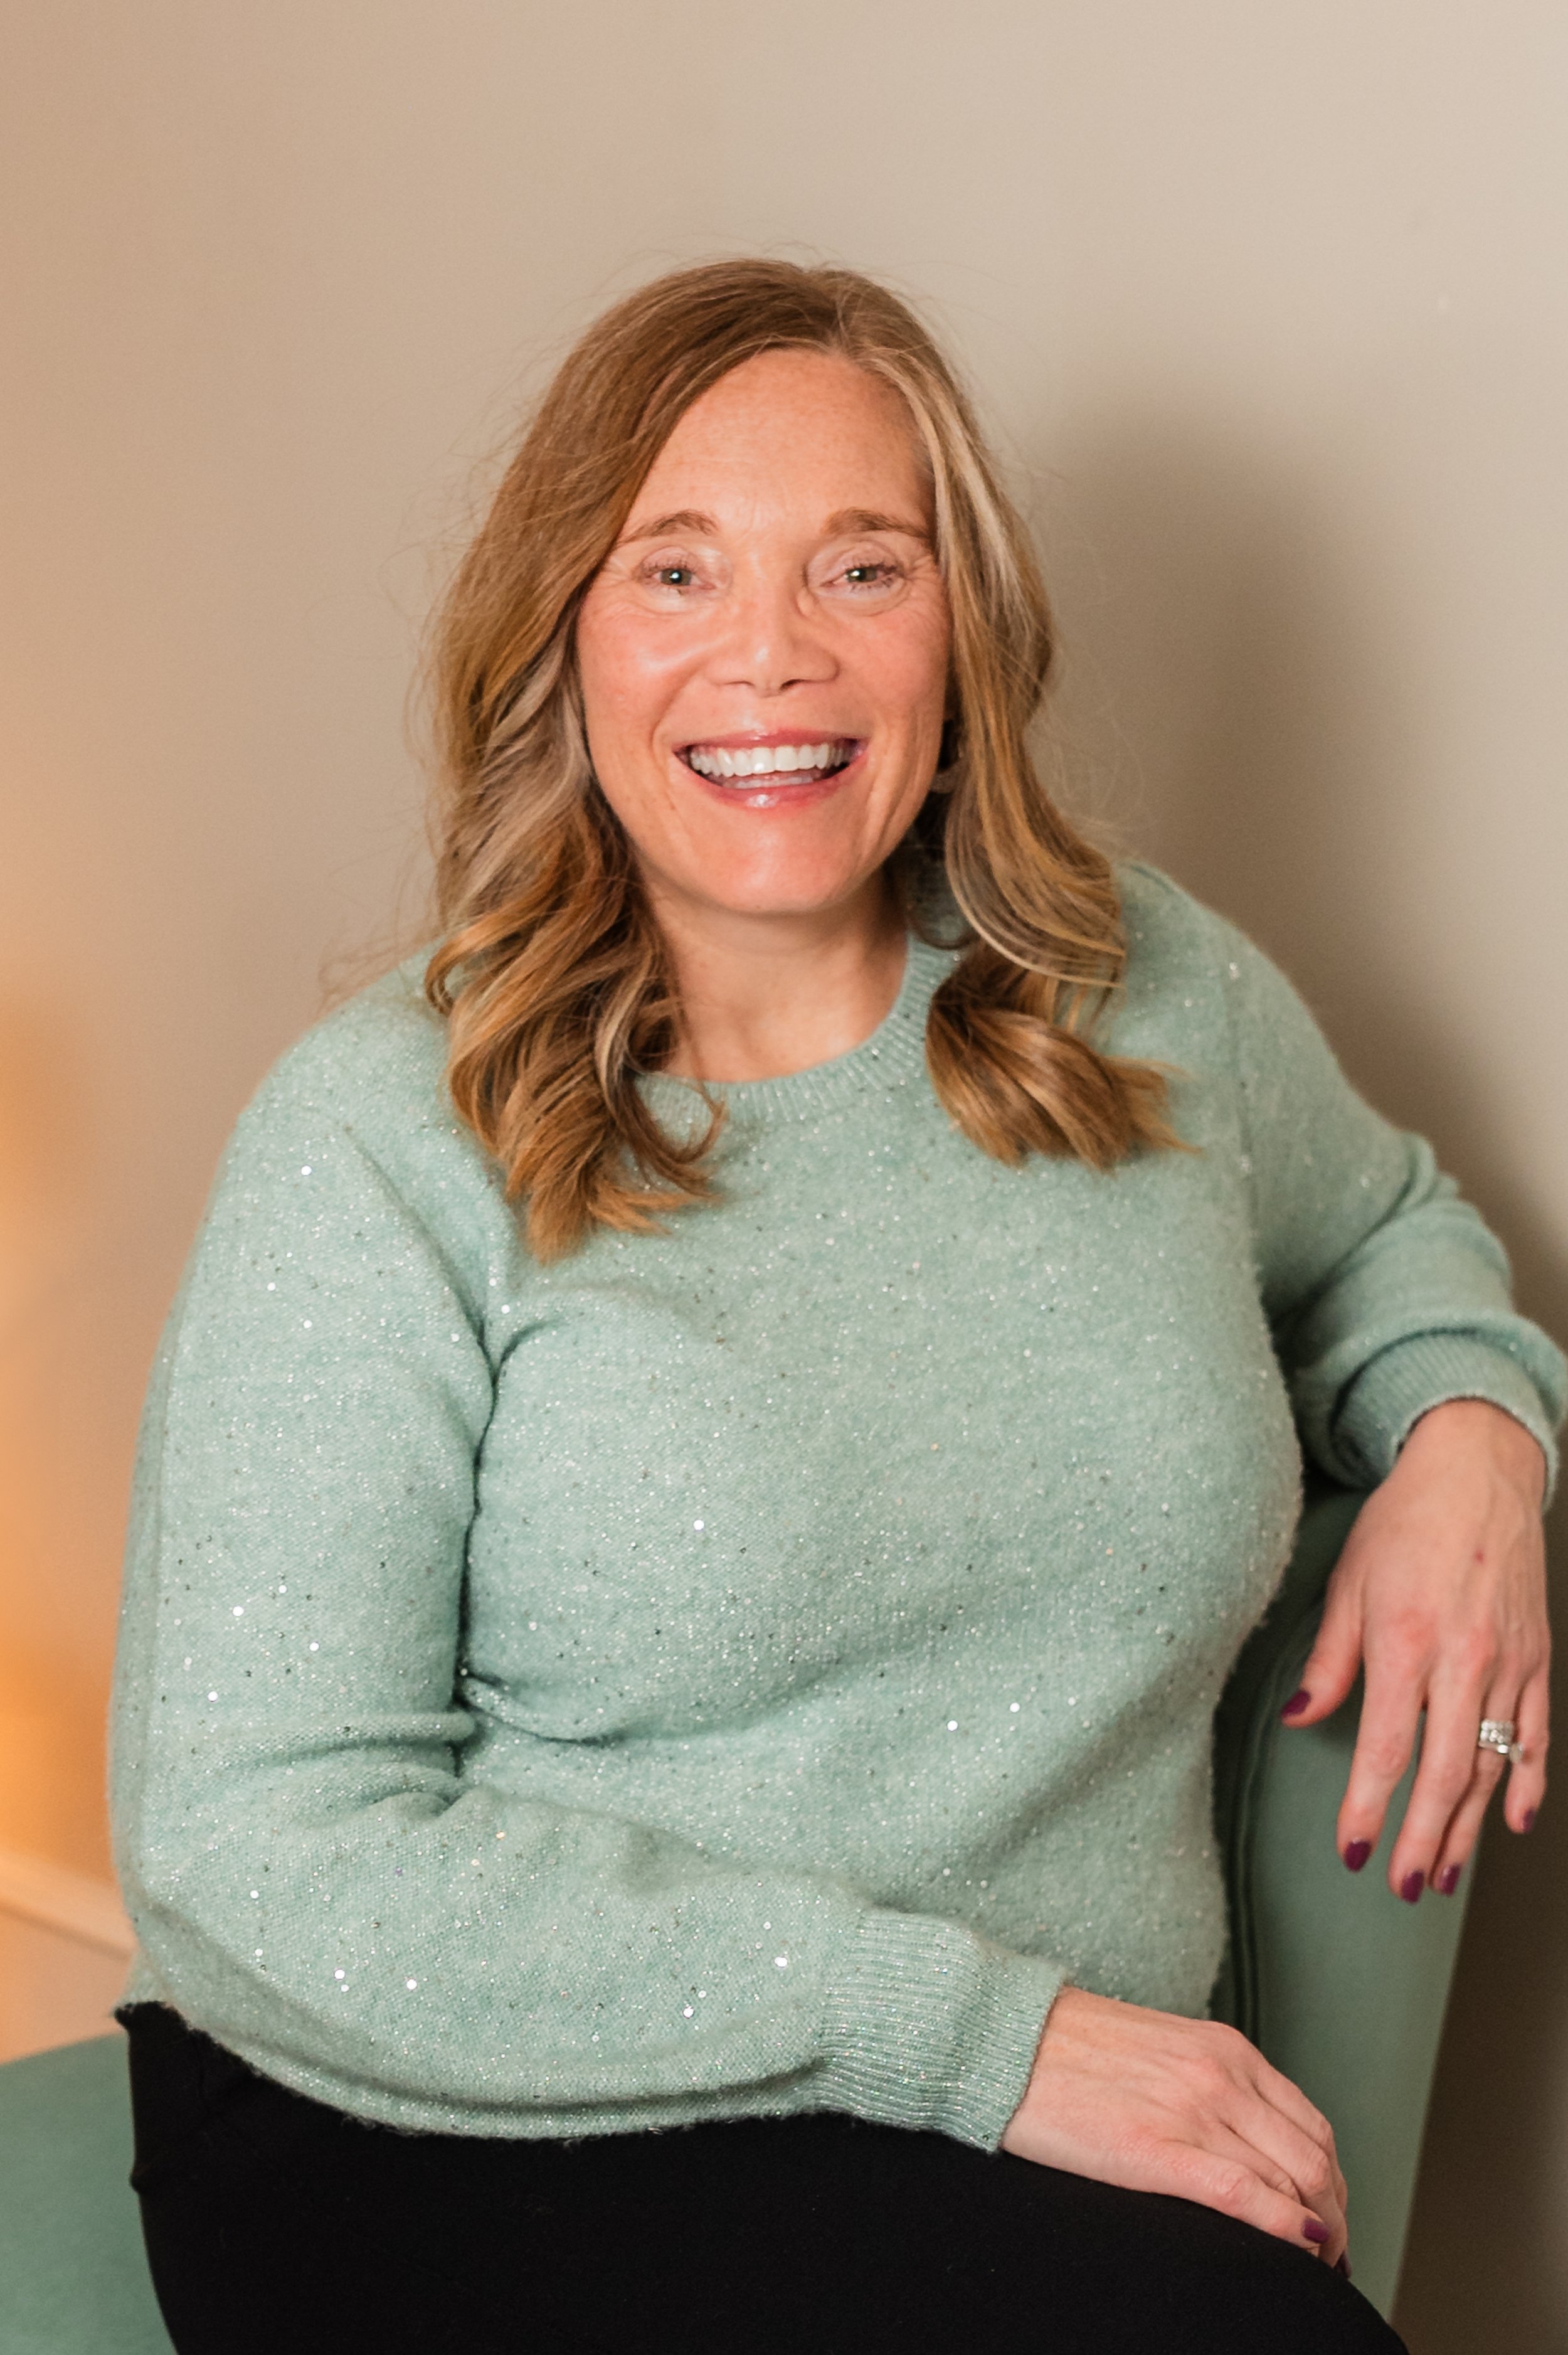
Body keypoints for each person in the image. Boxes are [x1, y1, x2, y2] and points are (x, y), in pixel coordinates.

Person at [110, 260, 1563, 2354]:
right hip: (459, 2102)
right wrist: (971, 2034)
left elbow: (1389, 1233)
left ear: (962, 625)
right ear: (566, 638)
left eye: (859, 564)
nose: (769, 656)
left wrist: (1471, 1434)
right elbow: (259, 1848)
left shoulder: (1143, 995)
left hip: (1014, 2129)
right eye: (674, 570)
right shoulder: (379, 1140)